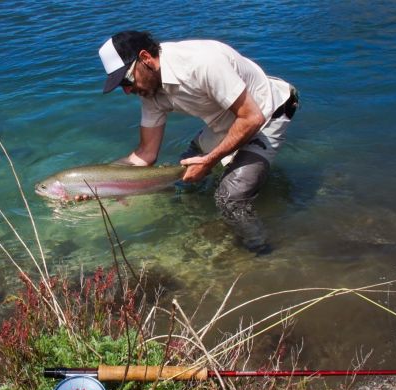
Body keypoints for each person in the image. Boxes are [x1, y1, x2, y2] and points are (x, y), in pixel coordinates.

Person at [98, 31, 298, 254]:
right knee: (183, 176)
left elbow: (252, 118)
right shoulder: (150, 92)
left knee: (229, 198)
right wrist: (95, 183)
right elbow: (146, 154)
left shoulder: (202, 63)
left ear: (145, 58)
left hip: (267, 112)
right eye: (120, 86)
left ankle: (263, 252)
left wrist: (209, 161)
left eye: (126, 80)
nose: (127, 91)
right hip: (225, 120)